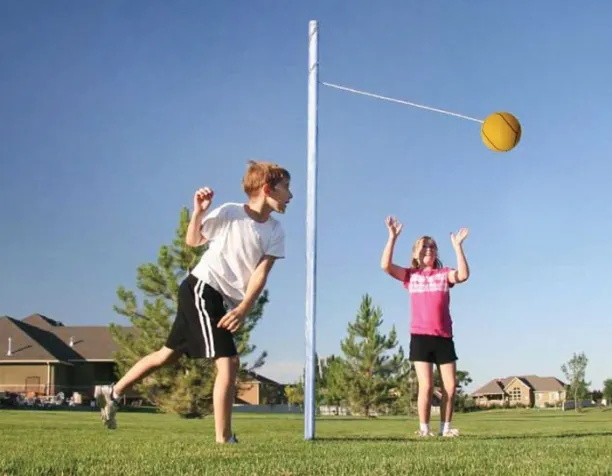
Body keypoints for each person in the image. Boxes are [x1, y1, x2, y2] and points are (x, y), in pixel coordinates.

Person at [94, 160, 292, 443]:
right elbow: (193, 240)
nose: (291, 195)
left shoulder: (275, 231)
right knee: (229, 362)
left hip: (214, 296)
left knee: (167, 354)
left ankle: (111, 392)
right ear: (267, 188)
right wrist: (198, 212)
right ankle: (224, 439)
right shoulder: (230, 213)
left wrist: (244, 307)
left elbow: (262, 272)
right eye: (286, 188)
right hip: (201, 288)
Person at [380, 216, 469, 437]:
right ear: (415, 254)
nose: (428, 249)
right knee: (426, 387)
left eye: (432, 247)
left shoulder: (443, 275)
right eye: (423, 246)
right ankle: (424, 429)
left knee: (449, 387)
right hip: (420, 337)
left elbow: (464, 275)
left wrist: (458, 247)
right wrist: (392, 237)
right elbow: (385, 266)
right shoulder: (411, 276)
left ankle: (446, 429)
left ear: (436, 253)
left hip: (444, 337)